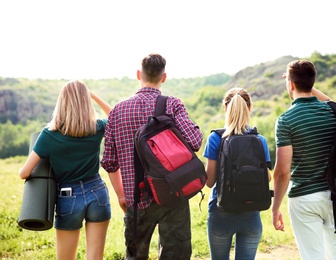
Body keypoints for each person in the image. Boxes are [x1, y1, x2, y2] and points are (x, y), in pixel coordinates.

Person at [101, 53, 203, 260]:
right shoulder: (172, 105)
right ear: (164, 77)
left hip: (136, 200)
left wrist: (122, 195)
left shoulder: (117, 111)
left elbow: (110, 162)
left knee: (136, 257)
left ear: (139, 74)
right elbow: (195, 141)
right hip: (173, 193)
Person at [18, 80, 112, 260]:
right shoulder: (97, 127)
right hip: (97, 192)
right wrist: (92, 95)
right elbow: (116, 115)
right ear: (86, 102)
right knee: (95, 257)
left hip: (68, 197)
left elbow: (25, 173)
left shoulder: (48, 135)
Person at [272, 60, 336, 260]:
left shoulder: (286, 120)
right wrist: (305, 82)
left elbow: (282, 172)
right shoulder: (331, 112)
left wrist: (275, 207)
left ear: (290, 84)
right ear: (311, 83)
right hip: (333, 195)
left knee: (312, 257)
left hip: (303, 198)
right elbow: (332, 102)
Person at [203, 87, 272, 259]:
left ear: (225, 108)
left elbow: (209, 182)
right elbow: (267, 178)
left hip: (221, 212)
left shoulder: (215, 138)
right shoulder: (259, 140)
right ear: (249, 108)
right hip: (251, 213)